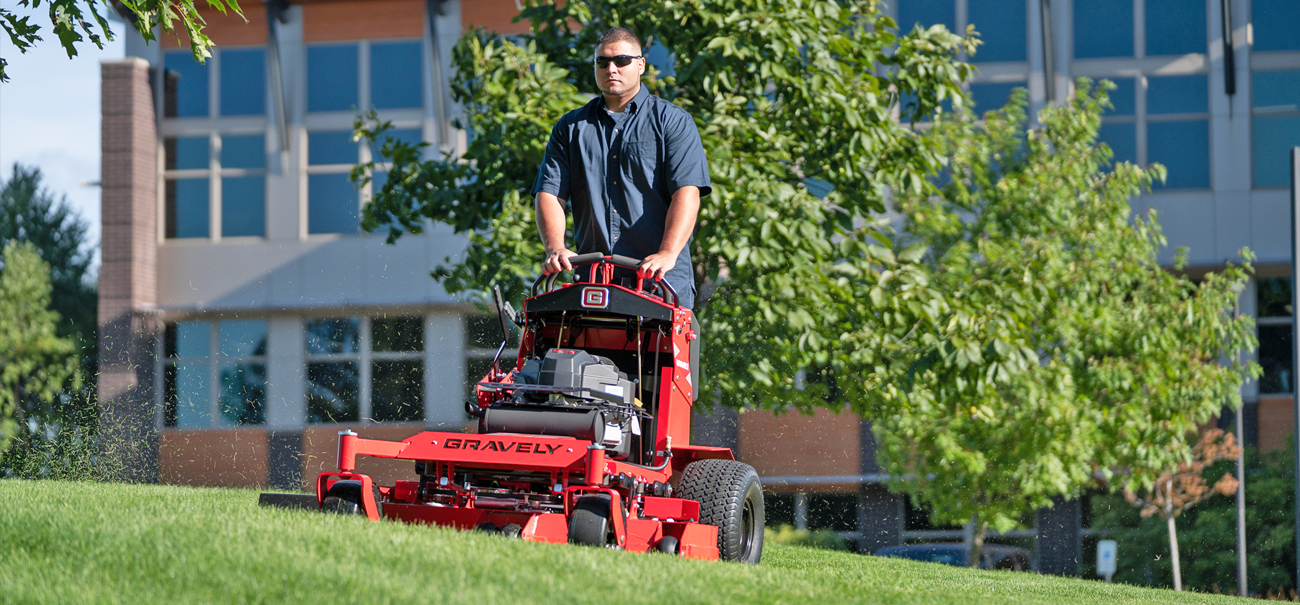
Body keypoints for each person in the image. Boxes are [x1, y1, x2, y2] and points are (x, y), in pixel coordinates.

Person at [531, 27, 710, 309]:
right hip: (592, 282)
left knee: (656, 357)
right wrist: (555, 248)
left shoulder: (673, 122)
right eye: (602, 62)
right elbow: (550, 193)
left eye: (622, 61)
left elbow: (687, 193)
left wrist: (667, 253)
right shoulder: (570, 127)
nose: (611, 69)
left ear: (641, 64)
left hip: (660, 284)